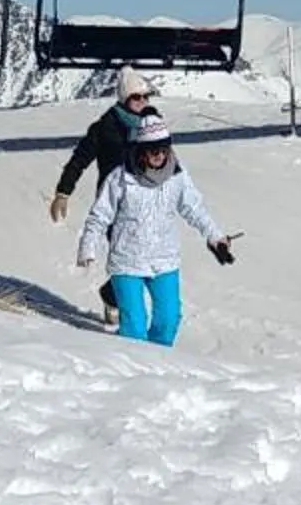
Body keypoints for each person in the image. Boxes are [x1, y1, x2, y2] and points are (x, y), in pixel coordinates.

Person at [74, 112, 236, 345]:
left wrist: (215, 237)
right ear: (142, 151)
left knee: (169, 319)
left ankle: (158, 366)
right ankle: (131, 370)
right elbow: (100, 215)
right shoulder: (120, 177)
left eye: (164, 150)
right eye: (154, 150)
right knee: (135, 327)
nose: (160, 155)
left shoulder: (177, 176)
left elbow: (194, 209)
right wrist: (87, 247)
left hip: (164, 259)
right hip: (127, 261)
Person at [53, 69, 159, 315]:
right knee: (129, 258)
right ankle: (120, 304)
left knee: (146, 257)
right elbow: (79, 160)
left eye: (146, 96)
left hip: (147, 202)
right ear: (123, 99)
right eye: (136, 97)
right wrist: (63, 192)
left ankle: (111, 295)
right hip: (114, 205)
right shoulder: (104, 128)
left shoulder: (152, 124)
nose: (142, 102)